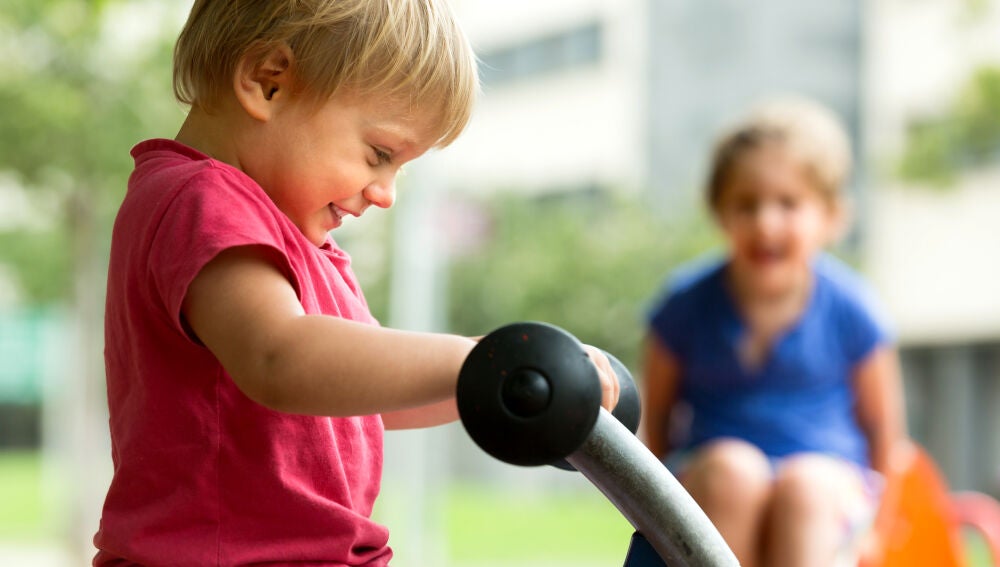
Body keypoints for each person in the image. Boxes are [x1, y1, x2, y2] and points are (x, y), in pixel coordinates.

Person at [93, 1, 620, 565]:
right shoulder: (201, 201)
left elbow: (362, 398)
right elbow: (280, 357)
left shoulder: (297, 241)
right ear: (268, 83)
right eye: (379, 154)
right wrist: (483, 358)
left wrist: (513, 384)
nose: (385, 192)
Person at [640, 96, 906, 567]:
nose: (766, 223)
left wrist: (880, 528)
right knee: (732, 470)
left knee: (807, 485)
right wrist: (645, 511)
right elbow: (655, 420)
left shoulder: (852, 309)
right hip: (715, 475)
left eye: (788, 203)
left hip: (827, 483)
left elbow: (884, 430)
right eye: (746, 205)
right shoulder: (682, 307)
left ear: (830, 215)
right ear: (720, 213)